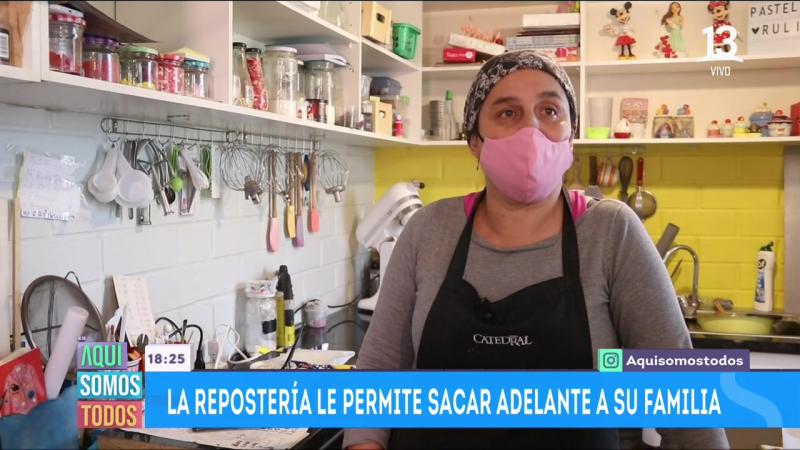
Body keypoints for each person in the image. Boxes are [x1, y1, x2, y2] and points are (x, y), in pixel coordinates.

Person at [343, 51, 729, 450]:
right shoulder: (428, 230)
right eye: (507, 113)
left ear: (570, 137)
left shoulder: (612, 232)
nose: (531, 128)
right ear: (475, 142)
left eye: (549, 111)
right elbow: (379, 369)